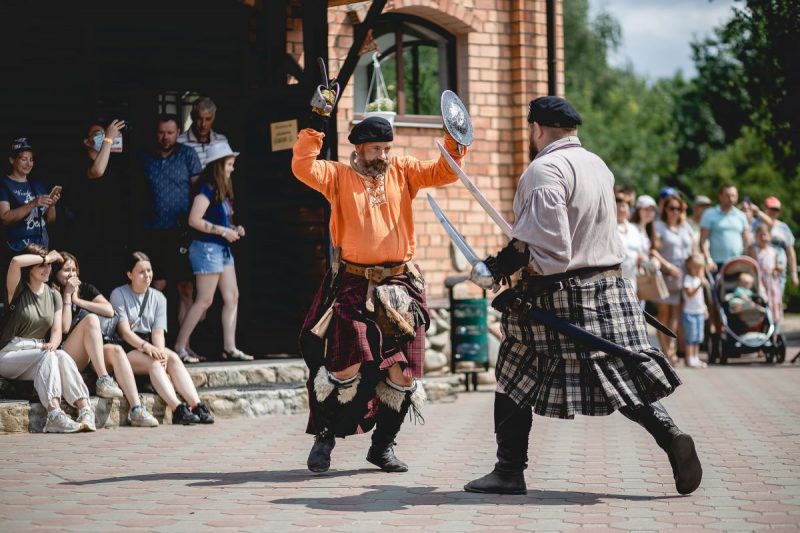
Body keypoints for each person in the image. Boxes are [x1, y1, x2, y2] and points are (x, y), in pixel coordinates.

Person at [464, 96, 701, 497]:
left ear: (537, 128)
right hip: (609, 284)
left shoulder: (543, 172)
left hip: (562, 291)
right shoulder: (597, 165)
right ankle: (669, 433)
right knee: (618, 371)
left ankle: (508, 471)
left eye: (529, 129)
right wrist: (509, 257)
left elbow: (553, 253)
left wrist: (504, 270)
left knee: (511, 370)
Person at [292, 90, 467, 474]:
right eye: (375, 150)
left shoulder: (403, 170)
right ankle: (325, 436)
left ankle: (382, 447)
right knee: (343, 369)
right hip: (353, 284)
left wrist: (455, 137)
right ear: (358, 149)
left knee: (403, 374)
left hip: (401, 286)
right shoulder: (337, 175)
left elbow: (445, 171)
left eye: (387, 148)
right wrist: (317, 120)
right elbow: (302, 166)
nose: (383, 156)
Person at [52, 252, 159, 427]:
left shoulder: (86, 288)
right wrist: (67, 297)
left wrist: (77, 300)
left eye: (74, 269)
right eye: (65, 270)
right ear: (56, 273)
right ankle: (103, 379)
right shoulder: (54, 292)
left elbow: (109, 310)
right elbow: (64, 328)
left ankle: (136, 408)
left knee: (116, 350)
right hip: (68, 354)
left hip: (92, 352)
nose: (71, 274)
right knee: (91, 320)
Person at [110, 252, 214, 425]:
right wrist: (147, 348)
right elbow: (124, 332)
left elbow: (158, 332)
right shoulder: (119, 294)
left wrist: (159, 350)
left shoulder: (159, 297)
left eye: (149, 271)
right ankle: (177, 409)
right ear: (130, 274)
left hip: (149, 343)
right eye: (141, 272)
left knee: (172, 358)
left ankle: (196, 405)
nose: (147, 275)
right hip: (128, 346)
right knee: (155, 363)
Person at [0, 245, 95, 433]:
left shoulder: (53, 295)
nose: (47, 269)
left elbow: (57, 330)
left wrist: (53, 343)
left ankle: (84, 408)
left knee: (61, 355)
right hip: (10, 352)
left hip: (39, 350)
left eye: (50, 265)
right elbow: (15, 262)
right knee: (49, 356)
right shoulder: (18, 289)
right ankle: (53, 414)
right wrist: (45, 257)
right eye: (42, 265)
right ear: (31, 267)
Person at [173, 142, 252, 361]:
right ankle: (180, 346)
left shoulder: (223, 189)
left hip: (222, 248)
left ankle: (230, 347)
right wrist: (224, 231)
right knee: (205, 300)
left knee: (232, 296)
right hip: (207, 247)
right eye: (229, 164)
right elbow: (194, 219)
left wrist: (233, 229)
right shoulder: (207, 187)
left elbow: (219, 220)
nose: (232, 168)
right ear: (218, 165)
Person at [138, 114, 203, 362]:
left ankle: (184, 345)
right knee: (158, 286)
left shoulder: (187, 155)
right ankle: (156, 344)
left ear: (178, 133)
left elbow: (198, 189)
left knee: (186, 288)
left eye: (170, 132)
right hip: (154, 230)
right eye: (161, 132)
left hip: (182, 231)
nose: (165, 137)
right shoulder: (145, 156)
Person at [78, 119, 130, 293]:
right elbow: (97, 171)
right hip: (90, 235)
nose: (103, 137)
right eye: (97, 134)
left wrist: (114, 141)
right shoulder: (83, 165)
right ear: (86, 141)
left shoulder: (115, 167)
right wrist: (108, 138)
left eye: (104, 133)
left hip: (112, 235)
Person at [0, 138, 60, 257]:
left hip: (41, 246)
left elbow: (50, 220)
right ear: (12, 160)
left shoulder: (37, 185)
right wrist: (33, 203)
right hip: (18, 247)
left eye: (31, 160)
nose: (29, 164)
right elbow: (5, 218)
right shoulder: (4, 184)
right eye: (24, 159)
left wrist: (52, 205)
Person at [654, 193, 695, 363]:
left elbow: (693, 248)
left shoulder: (685, 227)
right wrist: (667, 266)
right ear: (665, 209)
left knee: (676, 316)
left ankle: (671, 348)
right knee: (663, 314)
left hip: (683, 274)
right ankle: (665, 350)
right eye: (671, 208)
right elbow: (653, 250)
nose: (675, 212)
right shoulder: (659, 226)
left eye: (678, 209)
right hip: (665, 274)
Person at [751, 196, 798, 295]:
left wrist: (794, 274)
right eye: (771, 209)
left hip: (778, 271)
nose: (774, 212)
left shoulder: (784, 228)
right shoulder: (755, 224)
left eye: (776, 210)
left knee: (776, 298)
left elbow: (790, 252)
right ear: (765, 209)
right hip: (760, 271)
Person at [699, 184, 751, 272]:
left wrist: (747, 260)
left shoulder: (741, 215)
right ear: (720, 196)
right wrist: (708, 259)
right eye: (727, 196)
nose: (731, 199)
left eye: (733, 196)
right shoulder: (709, 214)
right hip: (715, 264)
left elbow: (747, 241)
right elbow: (703, 240)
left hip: (737, 263)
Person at [178, 97, 229, 168]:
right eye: (199, 118)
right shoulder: (179, 143)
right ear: (192, 117)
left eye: (208, 119)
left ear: (214, 117)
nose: (203, 124)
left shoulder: (222, 141)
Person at [748, 225, 783, 324]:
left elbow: (776, 266)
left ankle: (775, 328)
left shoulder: (773, 251)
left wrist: (777, 269)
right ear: (756, 237)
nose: (763, 238)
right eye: (760, 235)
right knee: (763, 301)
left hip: (772, 282)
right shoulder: (754, 250)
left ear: (769, 236)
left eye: (765, 235)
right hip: (760, 281)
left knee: (775, 302)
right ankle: (764, 324)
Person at [614, 188, 647, 292]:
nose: (622, 209)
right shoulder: (608, 228)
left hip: (632, 282)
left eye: (625, 206)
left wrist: (641, 258)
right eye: (619, 206)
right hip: (613, 283)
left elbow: (640, 252)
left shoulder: (634, 229)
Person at [682, 254, 708, 369]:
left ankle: (696, 357)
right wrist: (698, 286)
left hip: (699, 312)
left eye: (699, 268)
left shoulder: (698, 279)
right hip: (689, 313)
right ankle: (689, 358)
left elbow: (701, 298)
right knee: (690, 337)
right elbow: (689, 294)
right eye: (695, 268)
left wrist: (705, 309)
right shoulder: (688, 279)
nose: (697, 271)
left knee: (698, 337)